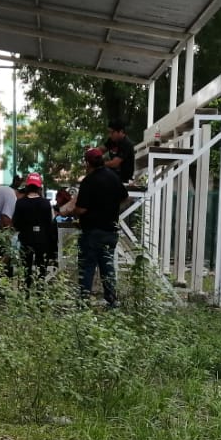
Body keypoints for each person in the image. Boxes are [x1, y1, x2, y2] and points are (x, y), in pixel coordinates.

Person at [74, 146, 128, 307]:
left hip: (92, 232)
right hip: (110, 231)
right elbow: (125, 198)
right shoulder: (114, 177)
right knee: (107, 267)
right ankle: (112, 301)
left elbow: (81, 209)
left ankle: (84, 302)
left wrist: (72, 211)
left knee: (87, 267)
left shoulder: (88, 181)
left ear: (87, 163)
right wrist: (112, 208)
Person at [12, 172, 56, 289]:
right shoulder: (46, 203)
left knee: (26, 267)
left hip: (26, 239)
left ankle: (26, 291)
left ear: (27, 186)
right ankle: (40, 292)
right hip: (42, 240)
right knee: (41, 267)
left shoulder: (20, 203)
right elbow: (50, 224)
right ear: (39, 187)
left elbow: (15, 223)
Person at [104, 118, 135, 185]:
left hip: (123, 181)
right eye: (109, 132)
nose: (110, 135)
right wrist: (91, 152)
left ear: (121, 131)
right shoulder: (112, 140)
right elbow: (101, 149)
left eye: (112, 132)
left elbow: (115, 163)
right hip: (113, 177)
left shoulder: (126, 144)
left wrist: (98, 163)